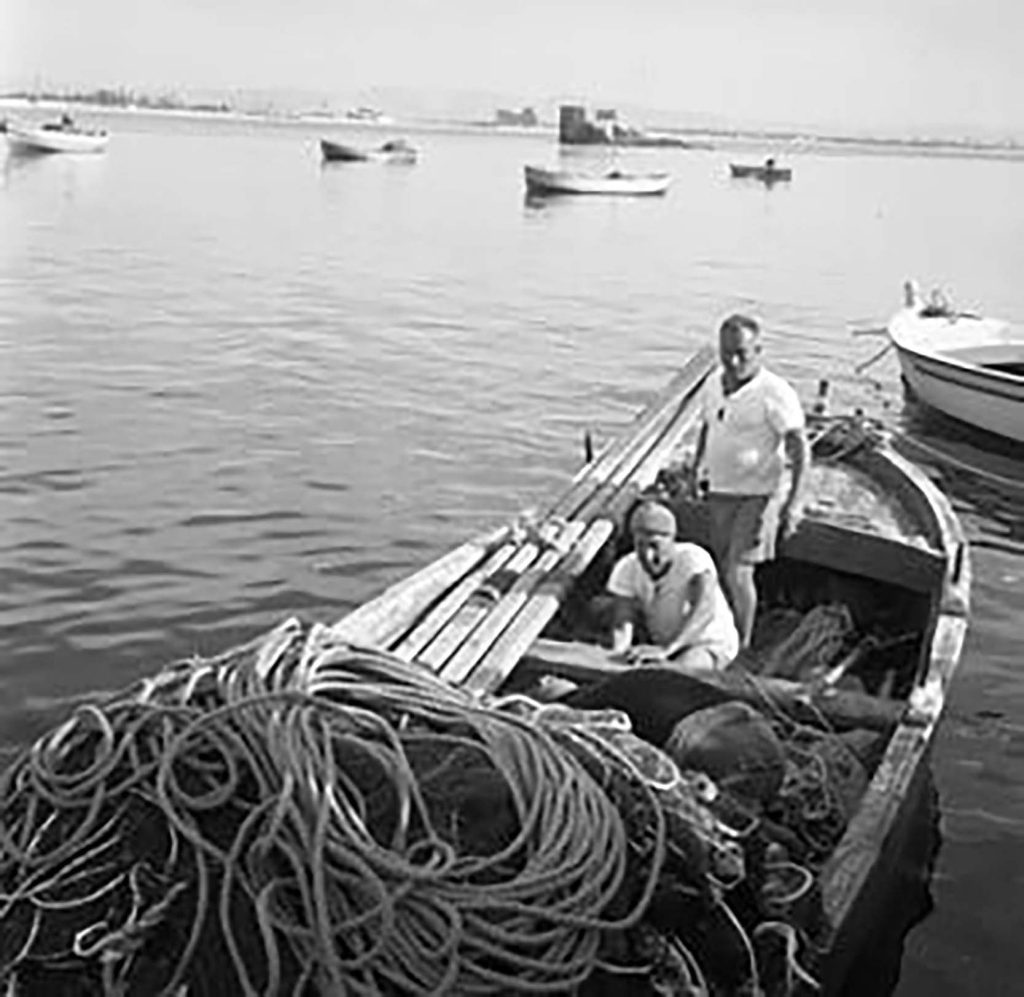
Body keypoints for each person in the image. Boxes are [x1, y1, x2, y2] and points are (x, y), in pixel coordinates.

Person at [690, 313, 809, 648]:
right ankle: (722, 627)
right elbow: (708, 426)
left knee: (738, 570)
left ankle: (741, 645)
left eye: (742, 353)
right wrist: (696, 468)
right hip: (720, 490)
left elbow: (800, 447)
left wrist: (794, 502)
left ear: (758, 351)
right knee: (720, 562)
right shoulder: (714, 383)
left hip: (758, 494)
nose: (733, 361)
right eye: (726, 352)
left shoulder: (775, 392)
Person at [607, 500, 739, 671]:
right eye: (640, 546)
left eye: (654, 546)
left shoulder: (694, 559)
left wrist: (668, 650)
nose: (648, 555)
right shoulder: (627, 567)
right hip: (661, 643)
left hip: (705, 642)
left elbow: (704, 610)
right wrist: (619, 652)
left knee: (677, 674)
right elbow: (623, 620)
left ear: (671, 540)